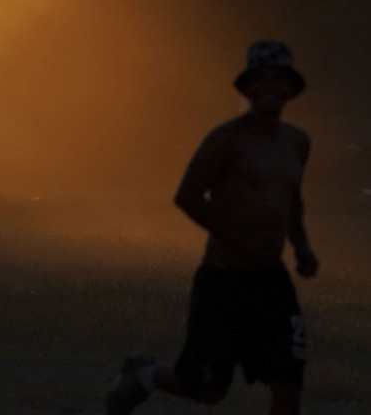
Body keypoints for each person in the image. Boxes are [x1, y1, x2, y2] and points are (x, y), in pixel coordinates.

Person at [107, 40, 318, 415]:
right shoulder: (227, 139)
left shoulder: (297, 143)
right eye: (260, 79)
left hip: (272, 281)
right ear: (247, 88)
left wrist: (301, 248)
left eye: (278, 79)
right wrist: (237, 238)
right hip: (223, 281)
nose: (269, 86)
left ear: (290, 88)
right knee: (207, 388)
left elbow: (292, 200)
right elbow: (187, 196)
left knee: (287, 384)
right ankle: (146, 375)